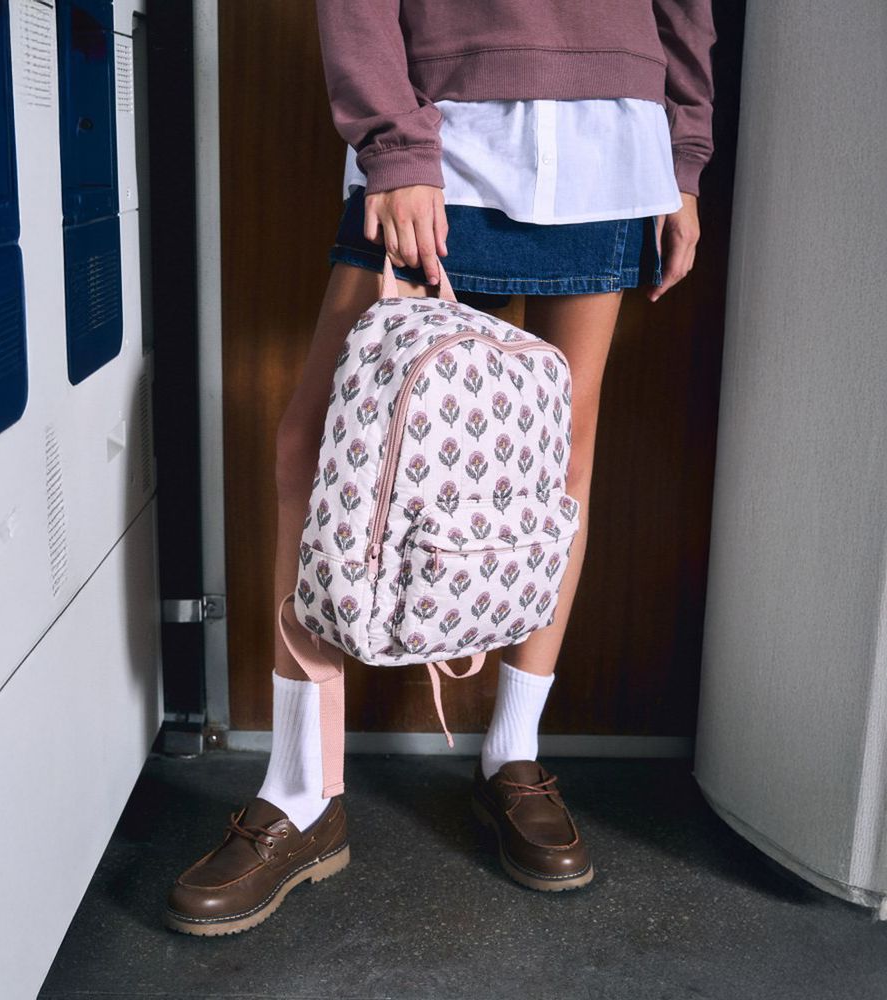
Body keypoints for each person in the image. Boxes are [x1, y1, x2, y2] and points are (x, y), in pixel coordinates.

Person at [163, 0, 717, 935]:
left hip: (613, 132)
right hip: (445, 124)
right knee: (318, 443)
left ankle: (512, 756)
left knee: (560, 458)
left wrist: (685, 155)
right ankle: (301, 791)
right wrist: (394, 143)